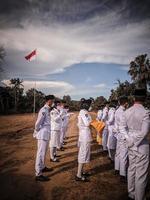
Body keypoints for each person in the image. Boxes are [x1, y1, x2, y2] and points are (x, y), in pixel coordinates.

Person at [120, 89, 150, 200]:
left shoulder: (126, 112)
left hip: (130, 144)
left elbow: (122, 128)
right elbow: (144, 132)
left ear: (134, 98)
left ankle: (131, 193)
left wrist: (129, 140)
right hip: (141, 146)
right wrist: (134, 142)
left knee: (132, 168)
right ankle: (139, 197)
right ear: (145, 98)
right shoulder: (146, 112)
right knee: (141, 174)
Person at [34, 95, 55, 182]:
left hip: (46, 133)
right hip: (42, 134)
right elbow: (38, 123)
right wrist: (37, 131)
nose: (53, 102)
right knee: (40, 153)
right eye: (52, 101)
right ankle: (38, 174)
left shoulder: (48, 110)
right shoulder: (43, 110)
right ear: (48, 101)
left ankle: (42, 167)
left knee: (44, 152)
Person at [76, 98, 92, 182]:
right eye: (89, 105)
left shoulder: (83, 112)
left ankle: (81, 172)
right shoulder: (84, 112)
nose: (90, 106)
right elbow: (87, 123)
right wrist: (92, 122)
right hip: (85, 135)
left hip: (84, 135)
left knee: (84, 153)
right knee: (83, 154)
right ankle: (79, 175)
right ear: (86, 105)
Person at [114, 96, 128, 182]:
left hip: (119, 134)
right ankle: (122, 174)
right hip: (123, 135)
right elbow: (124, 125)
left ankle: (117, 168)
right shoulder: (123, 112)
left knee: (118, 153)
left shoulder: (117, 110)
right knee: (124, 155)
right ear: (125, 103)